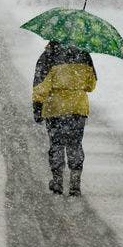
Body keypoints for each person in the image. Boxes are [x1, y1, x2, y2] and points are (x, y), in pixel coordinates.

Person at [31, 40, 96, 196]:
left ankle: (57, 181)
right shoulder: (84, 55)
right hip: (78, 108)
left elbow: (40, 87)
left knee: (57, 144)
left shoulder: (48, 56)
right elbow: (91, 85)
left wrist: (37, 108)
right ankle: (75, 183)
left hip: (55, 108)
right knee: (75, 144)